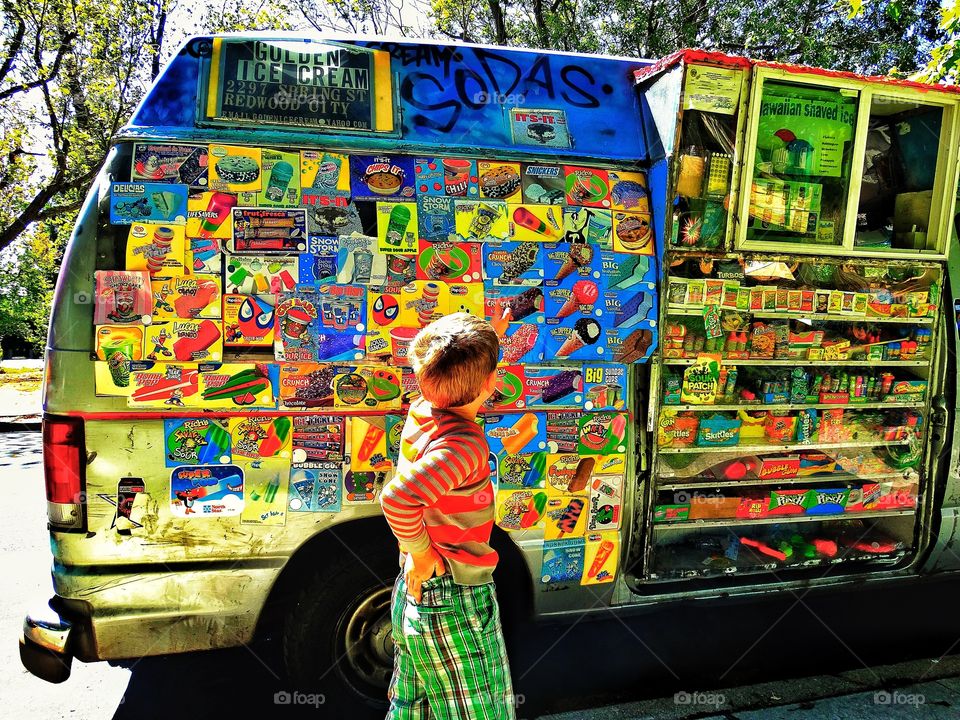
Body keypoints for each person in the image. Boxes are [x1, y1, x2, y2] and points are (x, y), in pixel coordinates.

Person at [380, 312, 515, 720]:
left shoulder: (423, 409)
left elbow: (454, 367)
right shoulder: (463, 446)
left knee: (414, 710)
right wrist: (422, 553)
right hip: (453, 598)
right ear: (490, 384)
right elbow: (398, 499)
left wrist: (492, 338)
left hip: (416, 595)